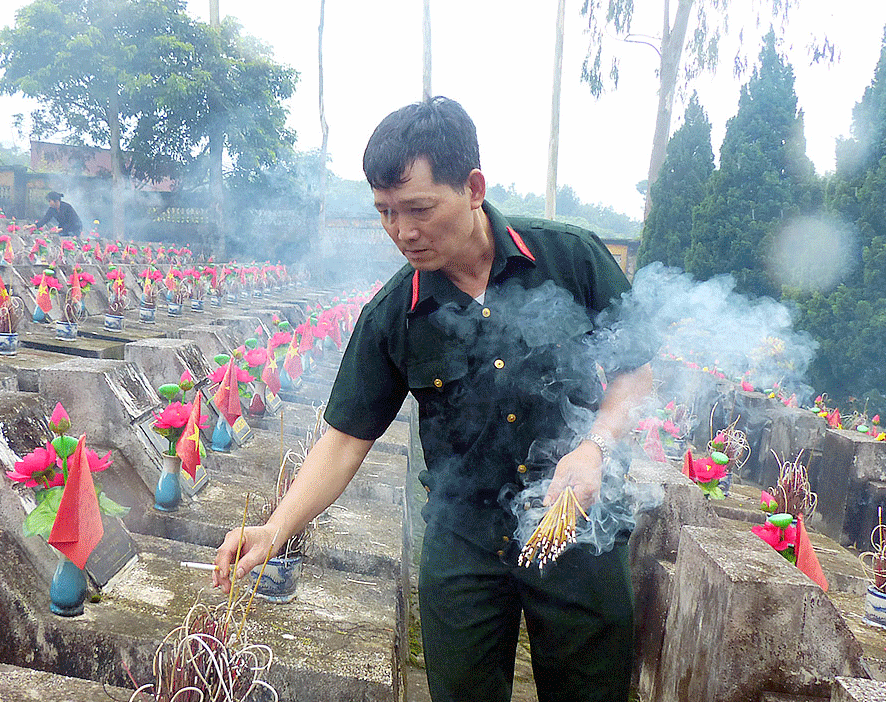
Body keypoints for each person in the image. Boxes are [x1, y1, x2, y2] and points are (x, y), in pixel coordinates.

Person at [212, 97, 652, 702]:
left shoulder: (569, 258)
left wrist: (595, 448)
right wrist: (274, 529)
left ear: (473, 188)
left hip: (576, 519)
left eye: (418, 208)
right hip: (463, 538)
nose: (403, 232)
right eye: (386, 213)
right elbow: (344, 439)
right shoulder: (395, 312)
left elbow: (635, 371)